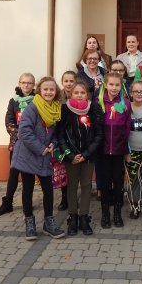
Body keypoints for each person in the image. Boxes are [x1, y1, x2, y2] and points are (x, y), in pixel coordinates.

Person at [10, 76, 66, 240]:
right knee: (27, 188)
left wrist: (53, 144)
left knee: (48, 189)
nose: (48, 92)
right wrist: (41, 148)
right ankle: (29, 222)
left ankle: (49, 223)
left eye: (52, 89)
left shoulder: (56, 108)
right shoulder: (32, 108)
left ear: (56, 92)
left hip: (44, 155)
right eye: (45, 89)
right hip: (27, 154)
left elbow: (55, 133)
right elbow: (24, 133)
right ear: (40, 91)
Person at [57, 81, 104, 236]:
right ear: (71, 94)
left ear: (87, 94)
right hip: (71, 157)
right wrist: (70, 155)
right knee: (71, 186)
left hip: (88, 157)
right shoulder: (64, 109)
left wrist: (86, 154)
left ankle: (84, 216)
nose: (79, 95)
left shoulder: (94, 108)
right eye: (76, 93)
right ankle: (73, 216)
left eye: (82, 93)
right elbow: (60, 135)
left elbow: (99, 134)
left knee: (86, 185)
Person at [0, 72, 36, 217]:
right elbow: (9, 121)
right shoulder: (13, 101)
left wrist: (30, 139)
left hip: (32, 143)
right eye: (23, 82)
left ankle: (27, 204)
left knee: (28, 175)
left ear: (33, 85)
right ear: (19, 84)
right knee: (14, 173)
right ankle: (7, 203)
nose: (26, 85)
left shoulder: (38, 100)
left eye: (29, 83)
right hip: (17, 143)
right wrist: (20, 136)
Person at [95, 72, 132, 228]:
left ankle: (117, 213)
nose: (114, 88)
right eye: (111, 84)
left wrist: (126, 150)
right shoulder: (98, 102)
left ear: (121, 86)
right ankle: (105, 214)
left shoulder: (126, 104)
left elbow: (127, 128)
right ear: (105, 85)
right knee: (104, 183)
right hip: (102, 150)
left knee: (118, 182)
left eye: (117, 85)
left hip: (118, 150)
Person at [125, 80, 142, 219]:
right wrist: (126, 151)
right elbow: (121, 132)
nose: (138, 94)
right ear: (131, 93)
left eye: (141, 91)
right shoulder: (125, 108)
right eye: (135, 91)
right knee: (133, 180)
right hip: (132, 152)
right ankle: (135, 207)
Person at [57, 70, 77, 212]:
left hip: (75, 138)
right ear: (62, 82)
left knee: (74, 171)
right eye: (66, 81)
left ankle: (73, 197)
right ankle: (65, 198)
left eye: (71, 81)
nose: (69, 84)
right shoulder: (58, 97)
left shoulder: (79, 95)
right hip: (61, 137)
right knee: (63, 169)